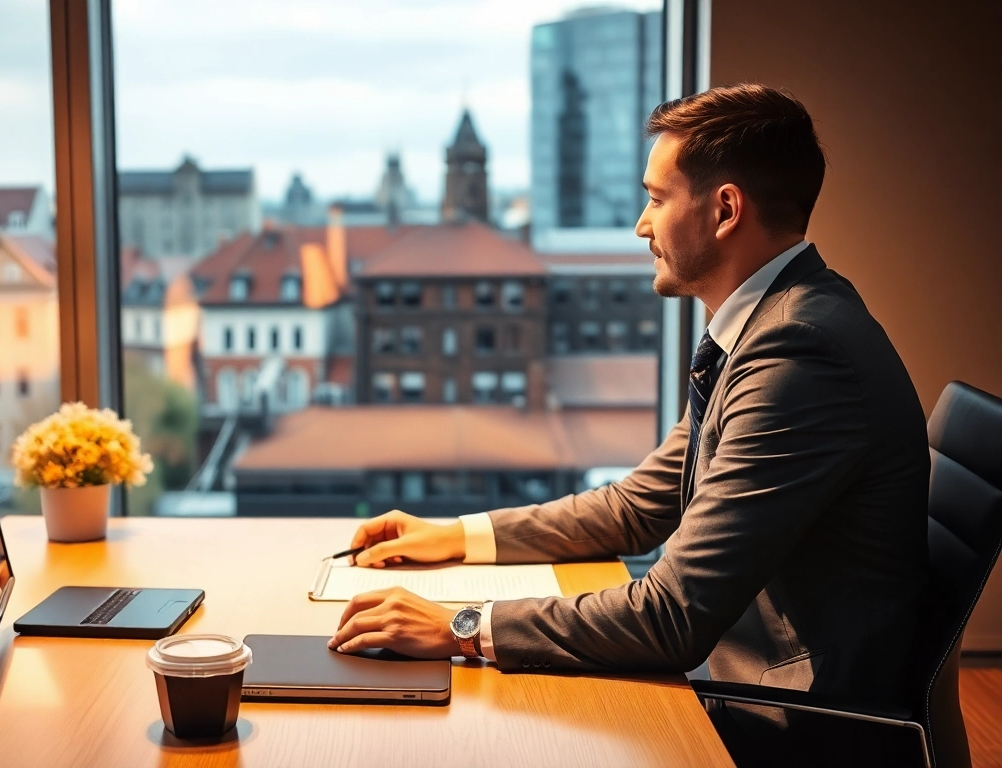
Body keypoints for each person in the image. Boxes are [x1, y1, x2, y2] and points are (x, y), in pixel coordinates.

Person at [329, 84, 928, 766]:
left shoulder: (799, 354)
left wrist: (461, 625)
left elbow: (673, 618)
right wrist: (457, 535)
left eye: (657, 198)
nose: (641, 226)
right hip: (734, 677)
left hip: (786, 718)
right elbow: (638, 507)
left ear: (726, 209)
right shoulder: (771, 328)